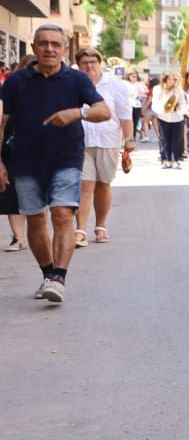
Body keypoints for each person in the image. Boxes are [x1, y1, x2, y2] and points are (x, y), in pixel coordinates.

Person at [0, 24, 111, 303]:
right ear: (34, 48)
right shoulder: (15, 81)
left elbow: (103, 111)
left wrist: (77, 112)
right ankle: (48, 274)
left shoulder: (77, 80)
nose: (49, 49)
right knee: (36, 219)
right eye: (43, 43)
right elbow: (1, 123)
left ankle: (58, 278)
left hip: (66, 157)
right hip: (25, 162)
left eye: (55, 44)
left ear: (64, 49)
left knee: (62, 215)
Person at [73, 48, 134, 246]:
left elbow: (125, 115)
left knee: (103, 184)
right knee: (84, 186)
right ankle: (80, 230)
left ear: (100, 64)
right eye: (85, 63)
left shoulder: (115, 86)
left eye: (93, 62)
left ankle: (100, 226)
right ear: (79, 65)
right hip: (80, 142)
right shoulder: (73, 84)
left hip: (108, 140)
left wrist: (129, 139)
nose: (89, 66)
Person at [1, 54, 36, 252]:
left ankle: (33, 234)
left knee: (33, 192)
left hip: (38, 148)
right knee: (11, 192)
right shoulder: (11, 89)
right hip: (11, 145)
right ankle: (19, 237)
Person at [153, 71, 189, 168]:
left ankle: (176, 160)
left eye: (173, 79)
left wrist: (178, 109)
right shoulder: (157, 89)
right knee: (165, 139)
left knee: (176, 140)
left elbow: (184, 106)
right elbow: (155, 105)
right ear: (165, 80)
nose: (172, 81)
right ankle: (167, 160)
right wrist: (164, 109)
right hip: (163, 118)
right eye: (170, 79)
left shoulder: (178, 91)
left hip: (177, 118)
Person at [126, 70, 145, 143]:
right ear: (129, 76)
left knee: (135, 123)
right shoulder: (125, 84)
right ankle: (126, 138)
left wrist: (140, 93)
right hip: (127, 105)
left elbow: (144, 93)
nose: (134, 78)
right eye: (133, 76)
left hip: (136, 105)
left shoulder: (139, 84)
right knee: (127, 122)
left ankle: (132, 139)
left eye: (136, 76)